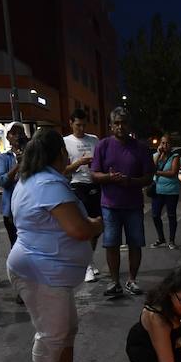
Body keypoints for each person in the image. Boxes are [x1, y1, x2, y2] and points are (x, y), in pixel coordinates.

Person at [8, 127, 104, 362]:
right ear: (60, 153)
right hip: (41, 271)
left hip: (47, 270)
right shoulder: (48, 183)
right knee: (52, 333)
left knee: (66, 328)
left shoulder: (33, 179)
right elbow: (77, 229)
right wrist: (95, 225)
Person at [91, 106, 154, 298]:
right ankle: (114, 282)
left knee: (135, 243)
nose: (120, 126)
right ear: (111, 125)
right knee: (111, 244)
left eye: (123, 123)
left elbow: (149, 177)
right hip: (110, 205)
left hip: (133, 205)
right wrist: (109, 178)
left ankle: (132, 280)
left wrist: (130, 181)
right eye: (116, 123)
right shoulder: (102, 145)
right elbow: (94, 175)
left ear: (129, 125)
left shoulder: (141, 148)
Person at [63, 109, 101, 283]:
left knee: (96, 225)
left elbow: (101, 162)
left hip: (94, 184)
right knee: (84, 225)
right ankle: (86, 266)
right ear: (71, 123)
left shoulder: (94, 140)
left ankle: (89, 260)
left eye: (84, 125)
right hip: (76, 185)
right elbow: (62, 170)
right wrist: (78, 163)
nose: (82, 128)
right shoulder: (65, 142)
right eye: (78, 125)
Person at [0, 122, 27, 250]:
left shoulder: (32, 156)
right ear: (8, 137)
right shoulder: (4, 158)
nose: (17, 136)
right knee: (16, 244)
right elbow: (2, 182)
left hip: (29, 205)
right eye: (13, 133)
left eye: (20, 133)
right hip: (12, 208)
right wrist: (17, 166)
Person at [150, 133, 181, 249]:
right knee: (155, 215)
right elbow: (151, 168)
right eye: (163, 143)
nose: (165, 145)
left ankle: (171, 241)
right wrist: (159, 154)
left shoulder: (175, 156)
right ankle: (161, 238)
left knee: (171, 215)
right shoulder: (156, 155)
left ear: (171, 145)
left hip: (171, 191)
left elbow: (173, 172)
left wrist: (158, 172)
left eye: (167, 143)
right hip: (157, 190)